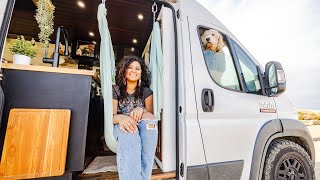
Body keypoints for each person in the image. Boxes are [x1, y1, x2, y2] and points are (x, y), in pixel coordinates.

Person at [112, 56, 158, 180]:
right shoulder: (115, 90)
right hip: (121, 125)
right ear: (124, 70)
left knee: (151, 125)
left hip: (140, 126)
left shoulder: (146, 92)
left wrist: (141, 109)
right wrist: (122, 118)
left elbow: (149, 117)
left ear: (141, 73)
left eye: (137, 68)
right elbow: (112, 117)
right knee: (131, 134)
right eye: (130, 67)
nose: (134, 70)